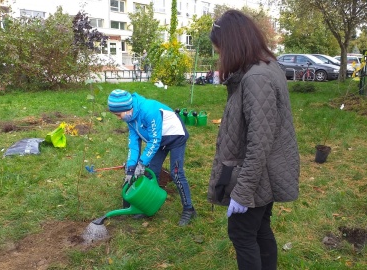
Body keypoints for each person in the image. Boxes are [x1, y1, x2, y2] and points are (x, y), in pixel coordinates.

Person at [207, 10, 300, 270]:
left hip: (259, 175)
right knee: (259, 230)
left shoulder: (256, 78)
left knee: (243, 234)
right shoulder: (265, 67)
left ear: (232, 44)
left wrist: (243, 192)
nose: (219, 56)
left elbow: (260, 143)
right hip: (266, 172)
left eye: (220, 49)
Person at [107, 89, 196, 226]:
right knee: (152, 172)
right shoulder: (130, 118)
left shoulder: (148, 109)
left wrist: (142, 164)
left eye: (119, 114)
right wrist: (131, 168)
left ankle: (189, 209)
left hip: (175, 136)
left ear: (127, 108)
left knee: (176, 173)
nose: (118, 118)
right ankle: (148, 205)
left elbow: (154, 140)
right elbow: (134, 145)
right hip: (159, 141)